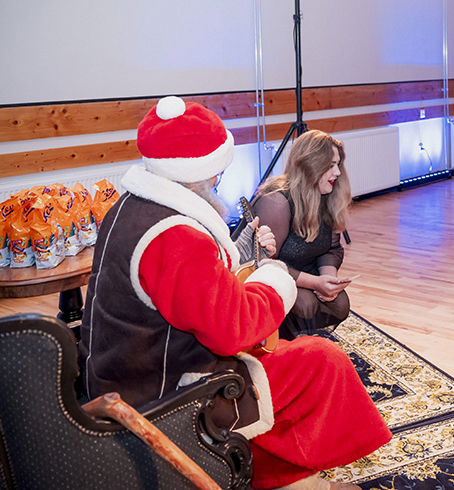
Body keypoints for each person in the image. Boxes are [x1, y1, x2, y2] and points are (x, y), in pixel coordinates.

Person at [78, 97, 391, 490]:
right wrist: (275, 280)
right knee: (321, 362)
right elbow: (233, 330)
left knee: (300, 354)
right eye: (218, 174)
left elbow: (195, 289)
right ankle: (290, 480)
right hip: (167, 392)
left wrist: (246, 257)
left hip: (125, 372)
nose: (219, 182)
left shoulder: (130, 208)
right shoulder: (175, 236)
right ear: (202, 172)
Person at [237, 130, 353, 340]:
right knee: (305, 304)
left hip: (304, 272)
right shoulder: (276, 202)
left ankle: (303, 342)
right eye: (330, 165)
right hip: (269, 276)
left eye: (338, 165)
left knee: (340, 303)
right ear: (310, 165)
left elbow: (332, 248)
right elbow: (264, 264)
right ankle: (278, 342)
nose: (337, 172)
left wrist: (328, 279)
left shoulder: (327, 196)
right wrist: (315, 283)